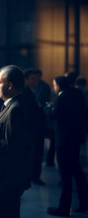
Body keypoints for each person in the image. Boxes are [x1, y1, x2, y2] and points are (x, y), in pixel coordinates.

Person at [0, 65, 34, 218]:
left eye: (0, 82)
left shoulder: (15, 109)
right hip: (7, 179)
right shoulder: (14, 105)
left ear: (9, 85)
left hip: (6, 179)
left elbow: (9, 146)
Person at [45, 76, 88, 217]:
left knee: (65, 176)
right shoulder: (77, 93)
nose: (54, 88)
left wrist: (48, 109)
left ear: (58, 85)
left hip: (63, 141)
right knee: (77, 172)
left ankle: (64, 208)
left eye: (54, 85)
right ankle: (84, 203)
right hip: (75, 139)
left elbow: (55, 115)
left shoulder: (62, 97)